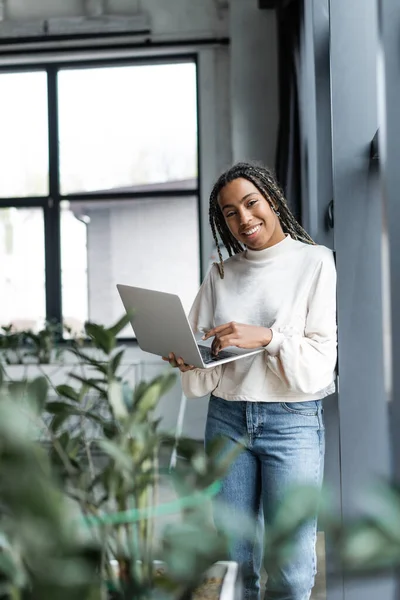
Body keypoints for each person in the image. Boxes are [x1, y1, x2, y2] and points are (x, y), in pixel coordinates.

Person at [163, 162, 337, 600]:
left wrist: (269, 336)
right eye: (229, 212)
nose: (243, 219)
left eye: (250, 203)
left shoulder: (315, 262)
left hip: (292, 422)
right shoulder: (220, 271)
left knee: (292, 568)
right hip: (227, 418)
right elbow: (199, 345)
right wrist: (188, 358)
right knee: (232, 561)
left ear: (273, 200)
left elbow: (320, 363)